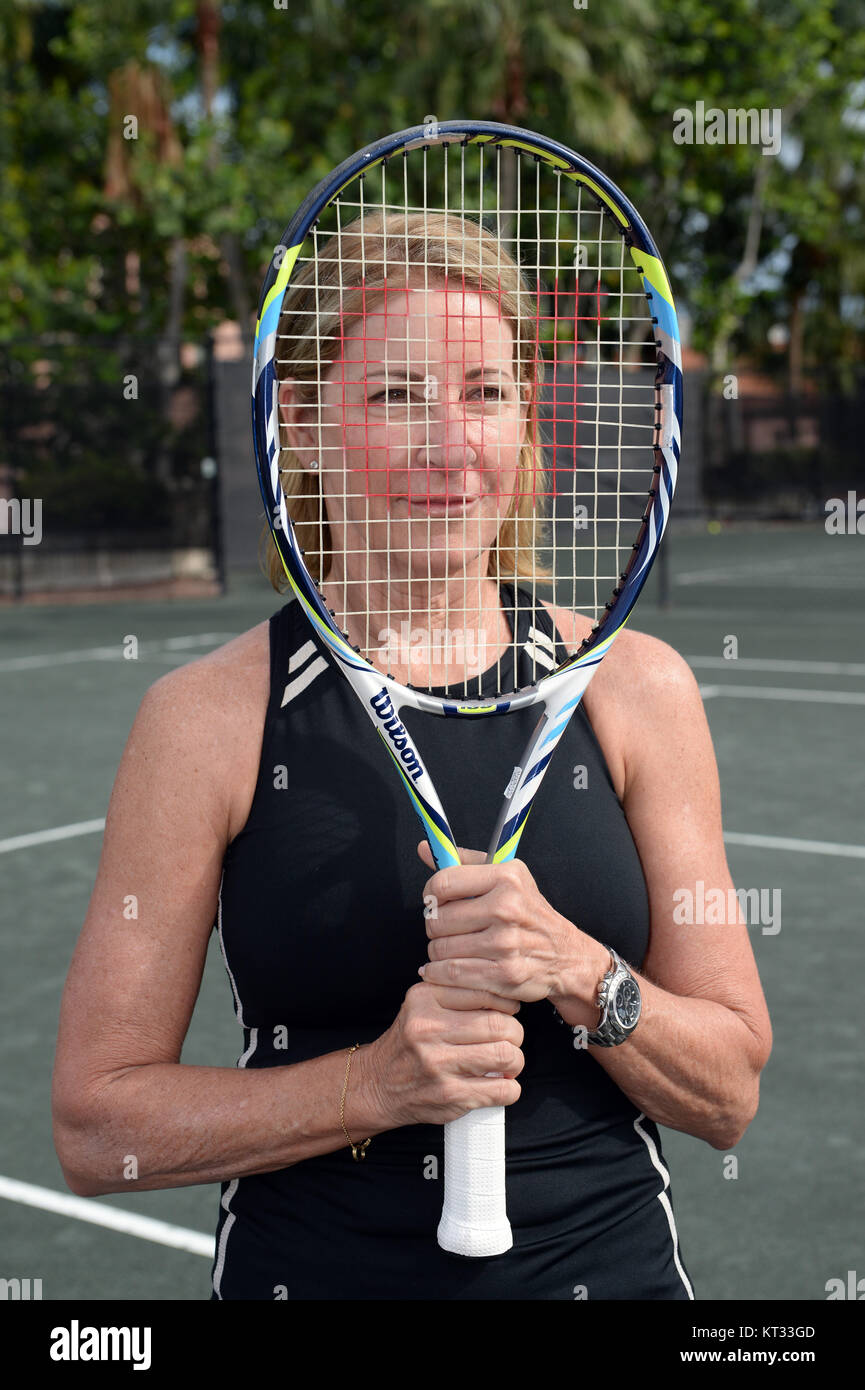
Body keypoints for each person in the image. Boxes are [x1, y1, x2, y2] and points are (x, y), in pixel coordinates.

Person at [52, 211, 772, 1301]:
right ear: (302, 421)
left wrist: (578, 972)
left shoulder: (637, 689)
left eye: (484, 391)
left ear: (526, 427)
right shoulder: (203, 720)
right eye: (396, 393)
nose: (450, 439)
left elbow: (726, 1090)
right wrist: (373, 1086)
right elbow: (98, 1124)